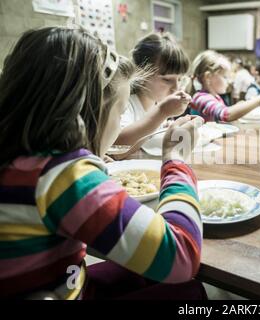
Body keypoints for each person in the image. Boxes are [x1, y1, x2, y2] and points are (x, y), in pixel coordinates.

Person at [0, 27, 205, 300]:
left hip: (62, 279)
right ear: (90, 113)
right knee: (188, 289)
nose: (120, 119)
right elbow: (181, 256)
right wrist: (175, 160)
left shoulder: (20, 159)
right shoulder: (62, 175)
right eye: (120, 112)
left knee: (139, 270)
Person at [115, 32, 191, 146]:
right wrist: (162, 113)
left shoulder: (156, 102)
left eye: (180, 79)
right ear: (141, 72)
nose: (176, 88)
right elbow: (118, 147)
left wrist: (165, 126)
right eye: (167, 80)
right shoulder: (126, 104)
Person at [189, 50, 260, 122]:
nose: (230, 81)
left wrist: (238, 106)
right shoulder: (201, 98)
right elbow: (226, 115)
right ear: (208, 77)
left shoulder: (214, 97)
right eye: (225, 77)